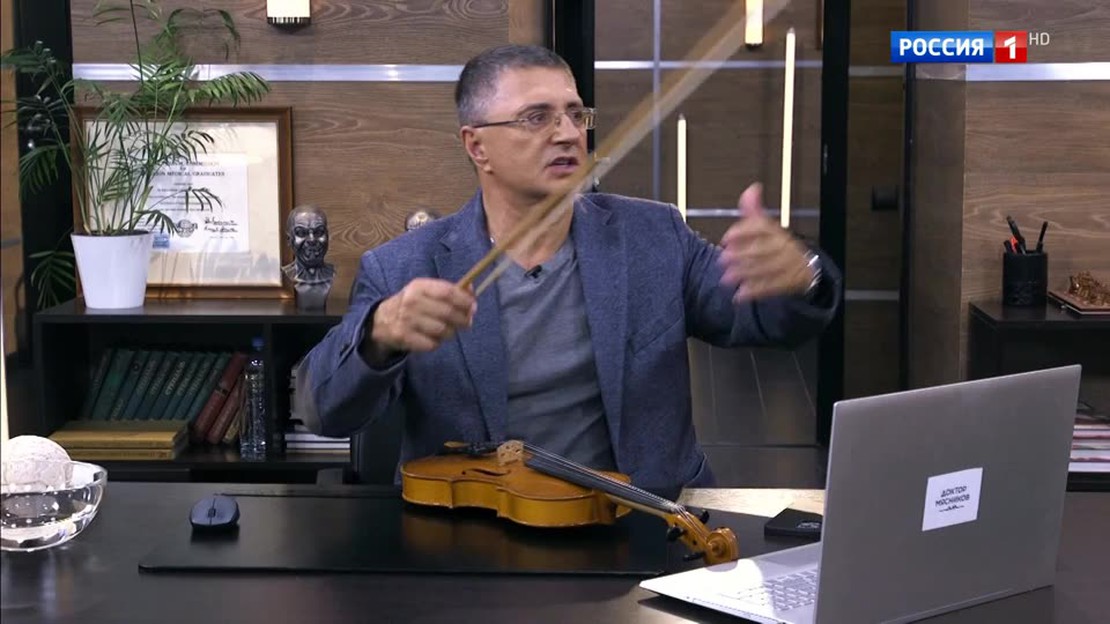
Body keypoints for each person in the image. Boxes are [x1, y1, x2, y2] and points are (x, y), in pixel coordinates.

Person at [296, 44, 842, 497]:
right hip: (473, 537)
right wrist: (379, 336)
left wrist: (804, 275)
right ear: (477, 146)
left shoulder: (654, 236)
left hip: (644, 524)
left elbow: (760, 320)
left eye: (575, 115)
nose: (567, 133)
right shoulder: (403, 266)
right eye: (537, 118)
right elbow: (324, 412)